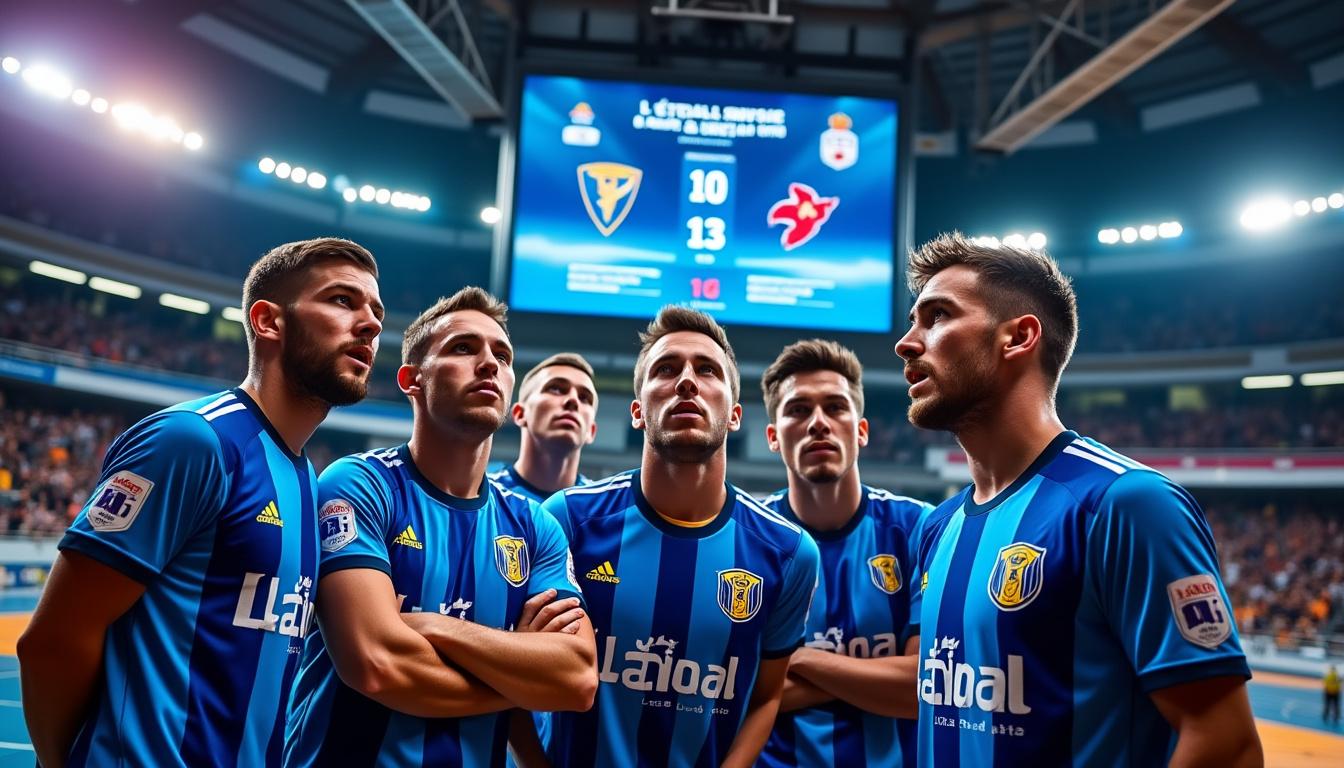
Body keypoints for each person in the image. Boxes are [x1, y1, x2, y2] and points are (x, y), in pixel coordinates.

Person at [895, 233, 1262, 766]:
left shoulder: (1127, 505)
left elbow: (1225, 743)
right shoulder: (938, 526)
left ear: (1018, 337)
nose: (906, 342)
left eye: (936, 317)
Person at [19, 237, 384, 767]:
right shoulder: (192, 441)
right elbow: (54, 640)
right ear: (268, 322)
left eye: (376, 311)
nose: (371, 324)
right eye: (343, 301)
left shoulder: (307, 480)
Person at [283, 286, 597, 768]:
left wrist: (427, 626)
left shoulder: (537, 526)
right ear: (412, 379)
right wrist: (520, 676)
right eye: (463, 348)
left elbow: (575, 679)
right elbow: (378, 665)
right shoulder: (359, 484)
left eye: (502, 355)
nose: (489, 363)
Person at [541, 306, 821, 768]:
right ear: (637, 411)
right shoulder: (568, 519)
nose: (686, 381)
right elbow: (521, 677)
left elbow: (766, 697)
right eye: (666, 369)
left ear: (734, 415)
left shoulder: (789, 553)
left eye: (706, 370)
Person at [756, 339, 932, 767]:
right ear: (774, 438)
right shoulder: (751, 538)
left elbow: (923, 689)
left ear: (861, 430)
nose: (819, 423)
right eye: (798, 410)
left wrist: (797, 659)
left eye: (835, 407)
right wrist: (876, 675)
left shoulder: (919, 528)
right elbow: (734, 697)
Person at [488, 352, 600, 764]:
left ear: (592, 429)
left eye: (584, 397)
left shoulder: (605, 525)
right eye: (555, 389)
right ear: (518, 411)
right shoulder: (482, 503)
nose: (571, 400)